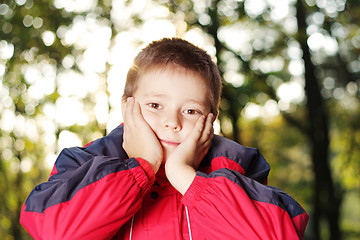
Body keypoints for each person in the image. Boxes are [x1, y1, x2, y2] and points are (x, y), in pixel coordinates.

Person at [20, 38, 309, 240]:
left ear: (210, 120)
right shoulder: (84, 162)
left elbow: (280, 233)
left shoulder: (238, 165)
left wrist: (184, 176)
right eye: (156, 106)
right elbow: (56, 231)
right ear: (127, 107)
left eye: (191, 110)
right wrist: (142, 166)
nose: (173, 122)